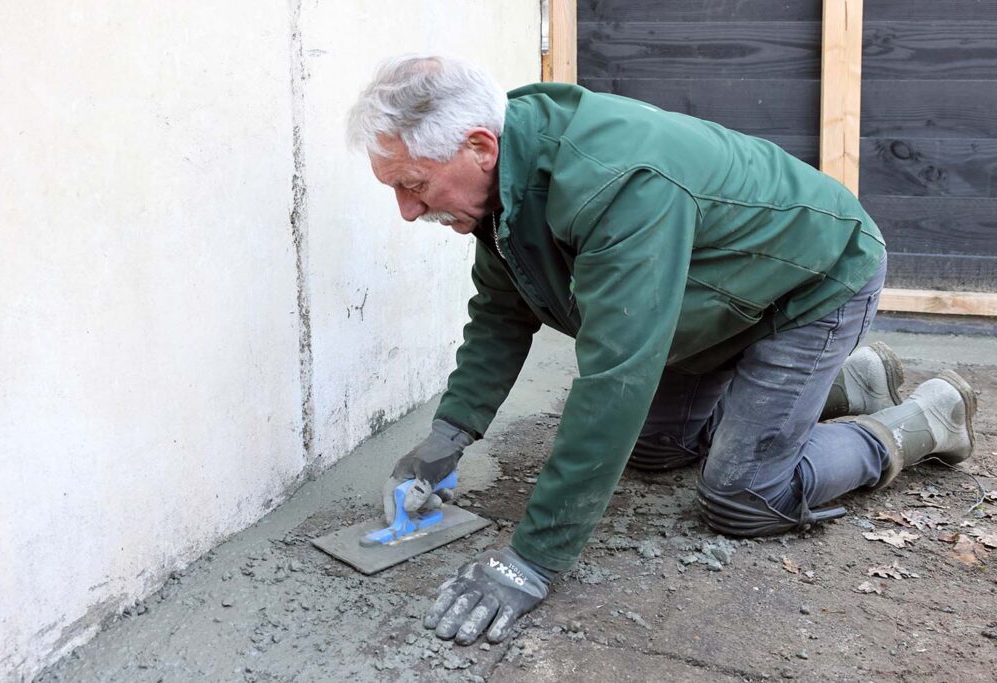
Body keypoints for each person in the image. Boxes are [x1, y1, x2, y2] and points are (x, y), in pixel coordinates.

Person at [345, 55, 978, 646]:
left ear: (478, 148)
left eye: (414, 184)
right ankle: (850, 380)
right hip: (714, 301)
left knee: (742, 496)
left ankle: (924, 418)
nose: (406, 210)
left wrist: (531, 559)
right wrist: (449, 436)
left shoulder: (613, 183)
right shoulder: (510, 177)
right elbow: (501, 313)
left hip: (811, 280)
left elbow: (618, 373)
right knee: (655, 450)